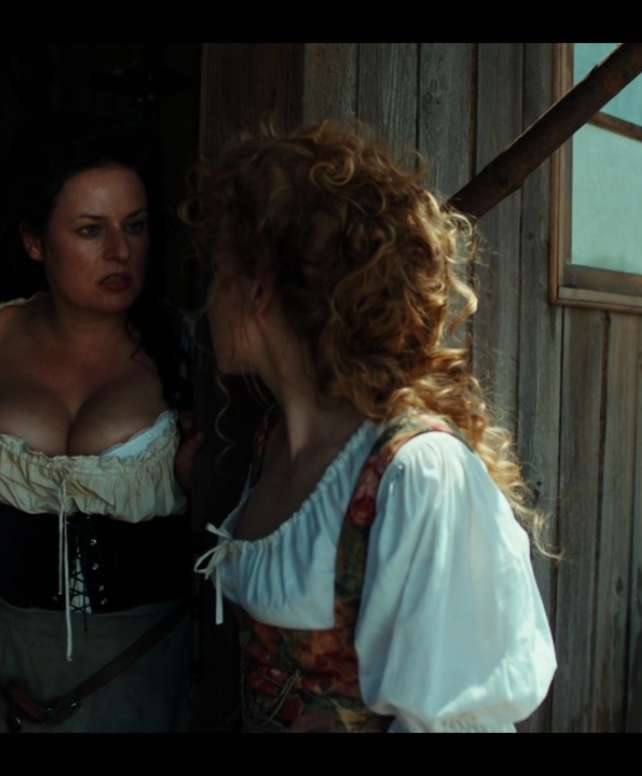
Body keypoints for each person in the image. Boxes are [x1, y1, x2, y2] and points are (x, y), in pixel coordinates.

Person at [187, 121, 557, 733]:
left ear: (258, 290)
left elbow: (463, 722)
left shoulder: (416, 473)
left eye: (217, 271)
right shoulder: (273, 440)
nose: (207, 300)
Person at [0, 117, 203, 732]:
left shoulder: (190, 350)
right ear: (35, 242)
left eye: (135, 226)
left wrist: (200, 482)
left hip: (148, 671)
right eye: (90, 230)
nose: (120, 251)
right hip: (1, 666)